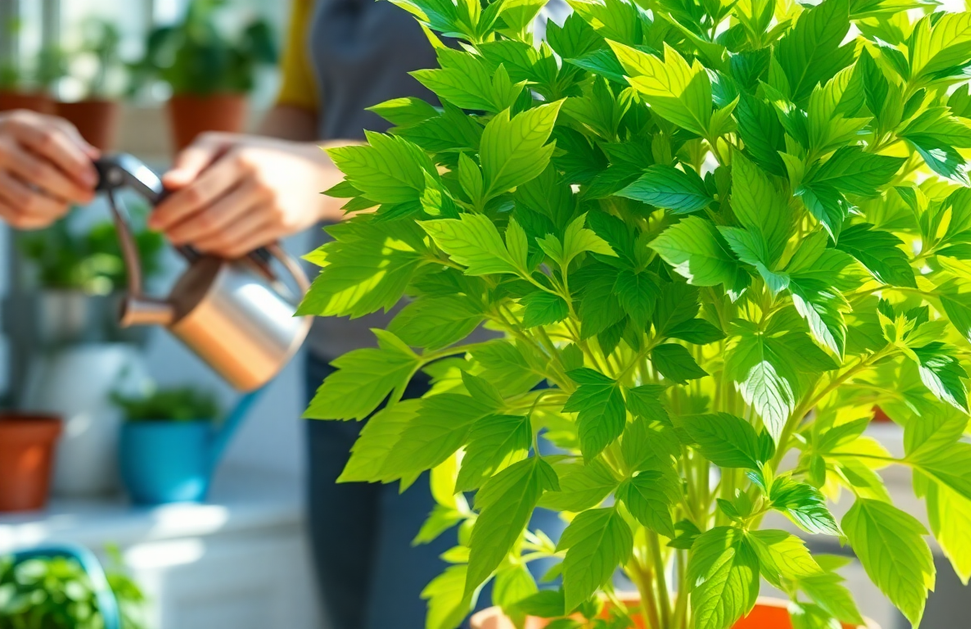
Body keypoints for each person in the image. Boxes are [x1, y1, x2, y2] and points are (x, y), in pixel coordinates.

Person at [0, 1, 566, 627]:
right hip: (348, 357)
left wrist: (317, 175)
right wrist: (234, 180)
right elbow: (309, 103)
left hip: (499, 367)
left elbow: (547, 158)